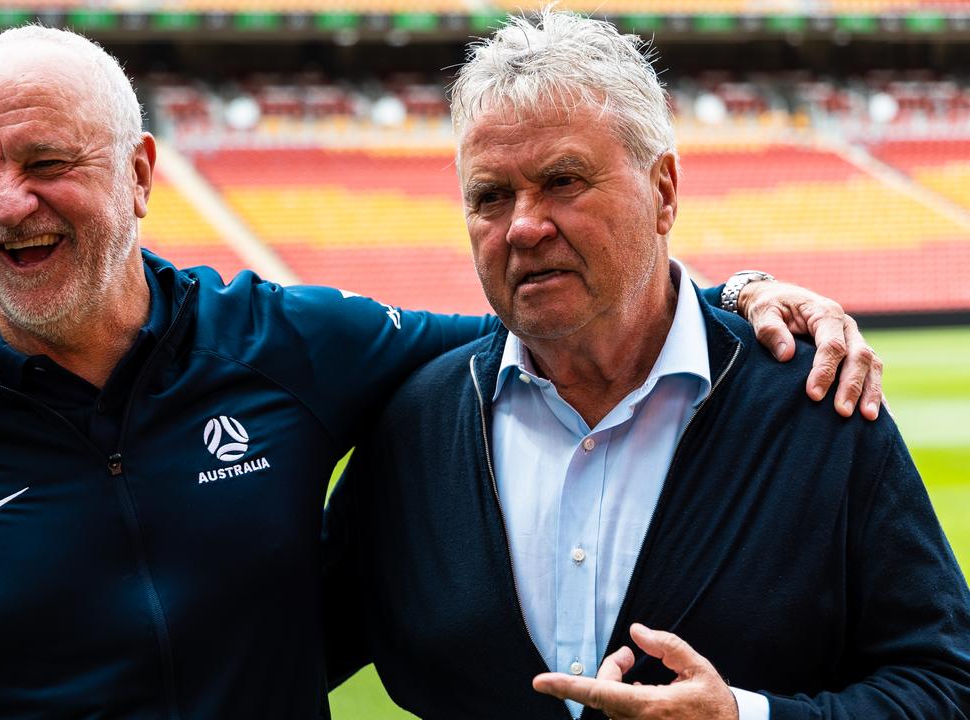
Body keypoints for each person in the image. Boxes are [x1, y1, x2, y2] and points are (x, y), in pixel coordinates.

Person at [0, 25, 883, 720]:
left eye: (48, 162)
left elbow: (535, 323)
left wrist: (731, 296)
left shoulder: (289, 346)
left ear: (142, 172)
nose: (8, 207)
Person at [321, 10, 970, 720]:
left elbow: (945, 685)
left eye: (563, 180)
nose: (524, 226)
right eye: (490, 196)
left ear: (664, 192)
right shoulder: (414, 428)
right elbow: (269, 657)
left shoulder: (818, 408)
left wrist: (746, 717)